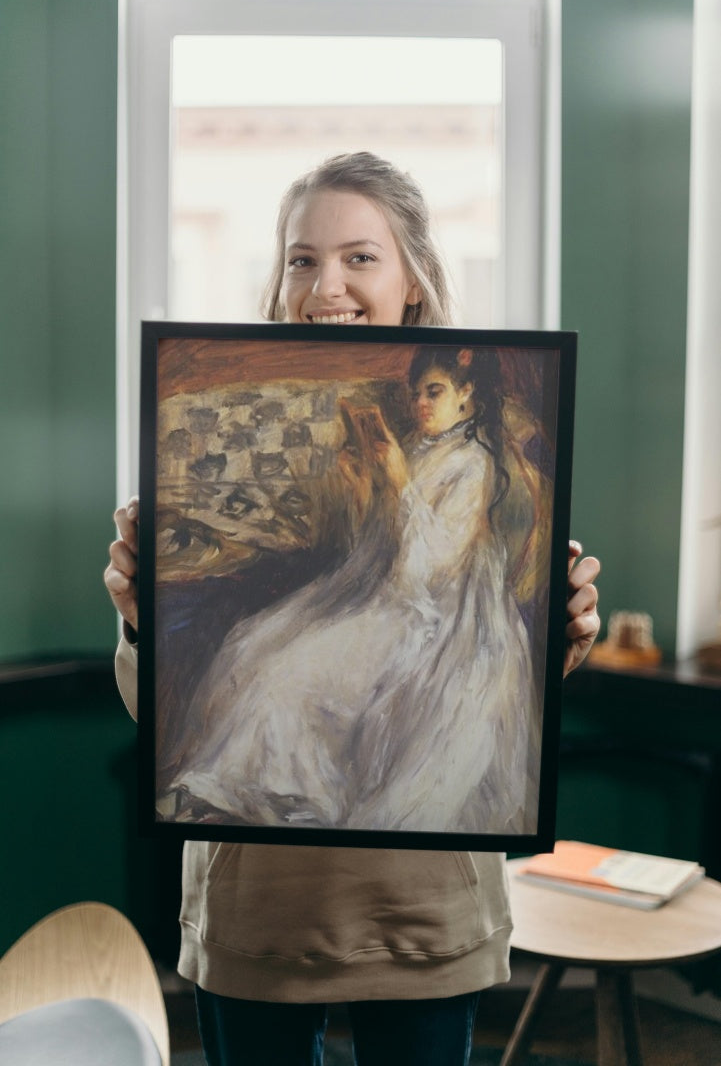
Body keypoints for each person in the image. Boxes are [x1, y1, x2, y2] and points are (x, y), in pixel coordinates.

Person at [105, 152, 601, 1066]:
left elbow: (454, 602)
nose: (324, 284)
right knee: (255, 659)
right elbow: (161, 717)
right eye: (301, 258)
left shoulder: (480, 444)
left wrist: (557, 634)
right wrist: (141, 618)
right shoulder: (297, 416)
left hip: (419, 910)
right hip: (257, 912)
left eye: (358, 257)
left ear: (412, 277)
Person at [160, 344, 541, 836]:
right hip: (391, 592)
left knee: (292, 674)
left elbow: (428, 572)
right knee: (252, 645)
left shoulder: (473, 465)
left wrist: (399, 482)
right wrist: (366, 483)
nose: (421, 404)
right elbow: (379, 547)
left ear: (466, 393)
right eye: (416, 393)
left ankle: (291, 797)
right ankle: (225, 789)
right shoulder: (420, 448)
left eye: (434, 391)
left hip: (438, 617)